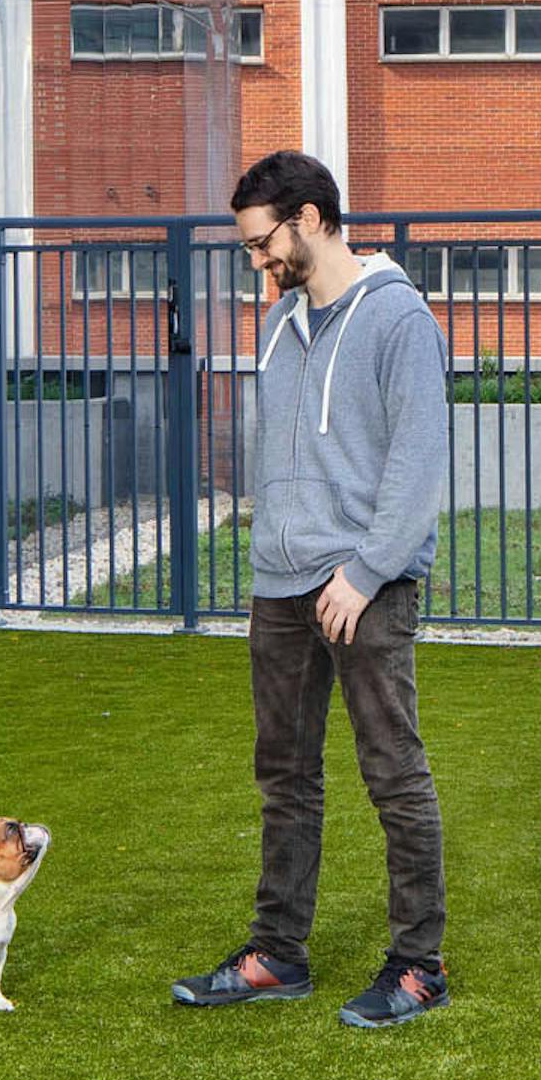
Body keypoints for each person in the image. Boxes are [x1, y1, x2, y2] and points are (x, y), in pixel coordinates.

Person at [170, 150, 453, 1028]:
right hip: (280, 586)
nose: (257, 260)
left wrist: (364, 573)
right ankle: (277, 954)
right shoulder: (280, 323)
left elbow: (417, 463)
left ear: (310, 219)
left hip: (365, 586)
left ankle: (419, 966)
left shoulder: (399, 318)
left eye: (263, 244)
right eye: (250, 249)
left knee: (393, 775)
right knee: (285, 777)